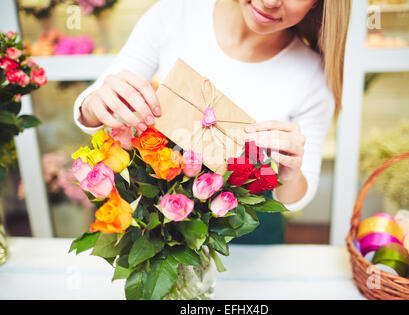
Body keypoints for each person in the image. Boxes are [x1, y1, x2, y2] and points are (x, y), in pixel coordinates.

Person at [73, 0, 351, 244]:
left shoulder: (313, 76)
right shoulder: (177, 12)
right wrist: (94, 104)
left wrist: (289, 174)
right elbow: (91, 104)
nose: (269, 2)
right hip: (160, 228)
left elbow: (299, 195)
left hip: (248, 234)